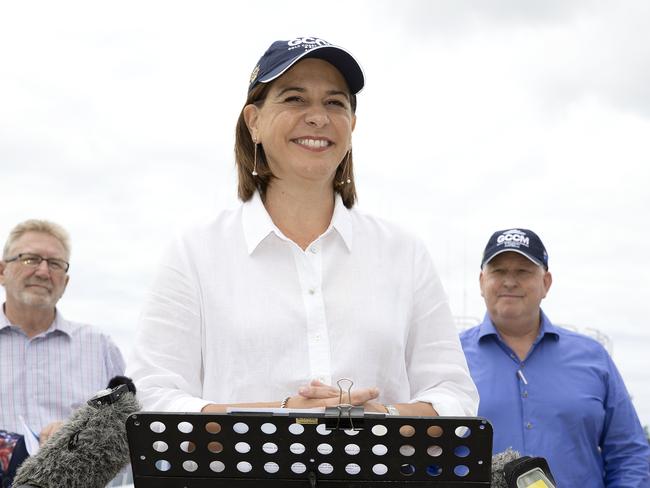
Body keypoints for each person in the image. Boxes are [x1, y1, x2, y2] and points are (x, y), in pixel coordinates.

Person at [128, 36, 478, 417]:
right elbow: (152, 395)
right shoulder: (194, 251)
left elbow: (454, 396)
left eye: (334, 102)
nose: (317, 116)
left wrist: (380, 420)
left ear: (352, 126)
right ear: (254, 121)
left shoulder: (404, 253)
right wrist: (283, 414)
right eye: (294, 98)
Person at [460, 228, 650, 487]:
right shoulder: (451, 358)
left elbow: (630, 455)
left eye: (523, 271)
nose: (509, 281)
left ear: (546, 283)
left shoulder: (593, 358)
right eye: (499, 271)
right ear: (482, 282)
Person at [0, 220, 125, 450]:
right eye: (30, 259)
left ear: (65, 283)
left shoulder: (99, 347)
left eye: (55, 264)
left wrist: (81, 435)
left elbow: (130, 434)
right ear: (2, 272)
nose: (43, 271)